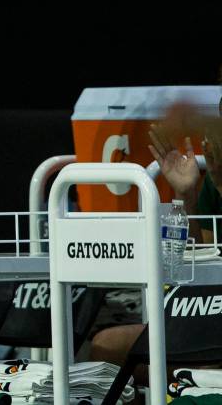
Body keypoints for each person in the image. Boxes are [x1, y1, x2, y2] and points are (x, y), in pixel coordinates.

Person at [88, 98, 222, 382]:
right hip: (209, 312)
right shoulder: (214, 177)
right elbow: (203, 258)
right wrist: (187, 195)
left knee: (197, 367)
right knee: (107, 347)